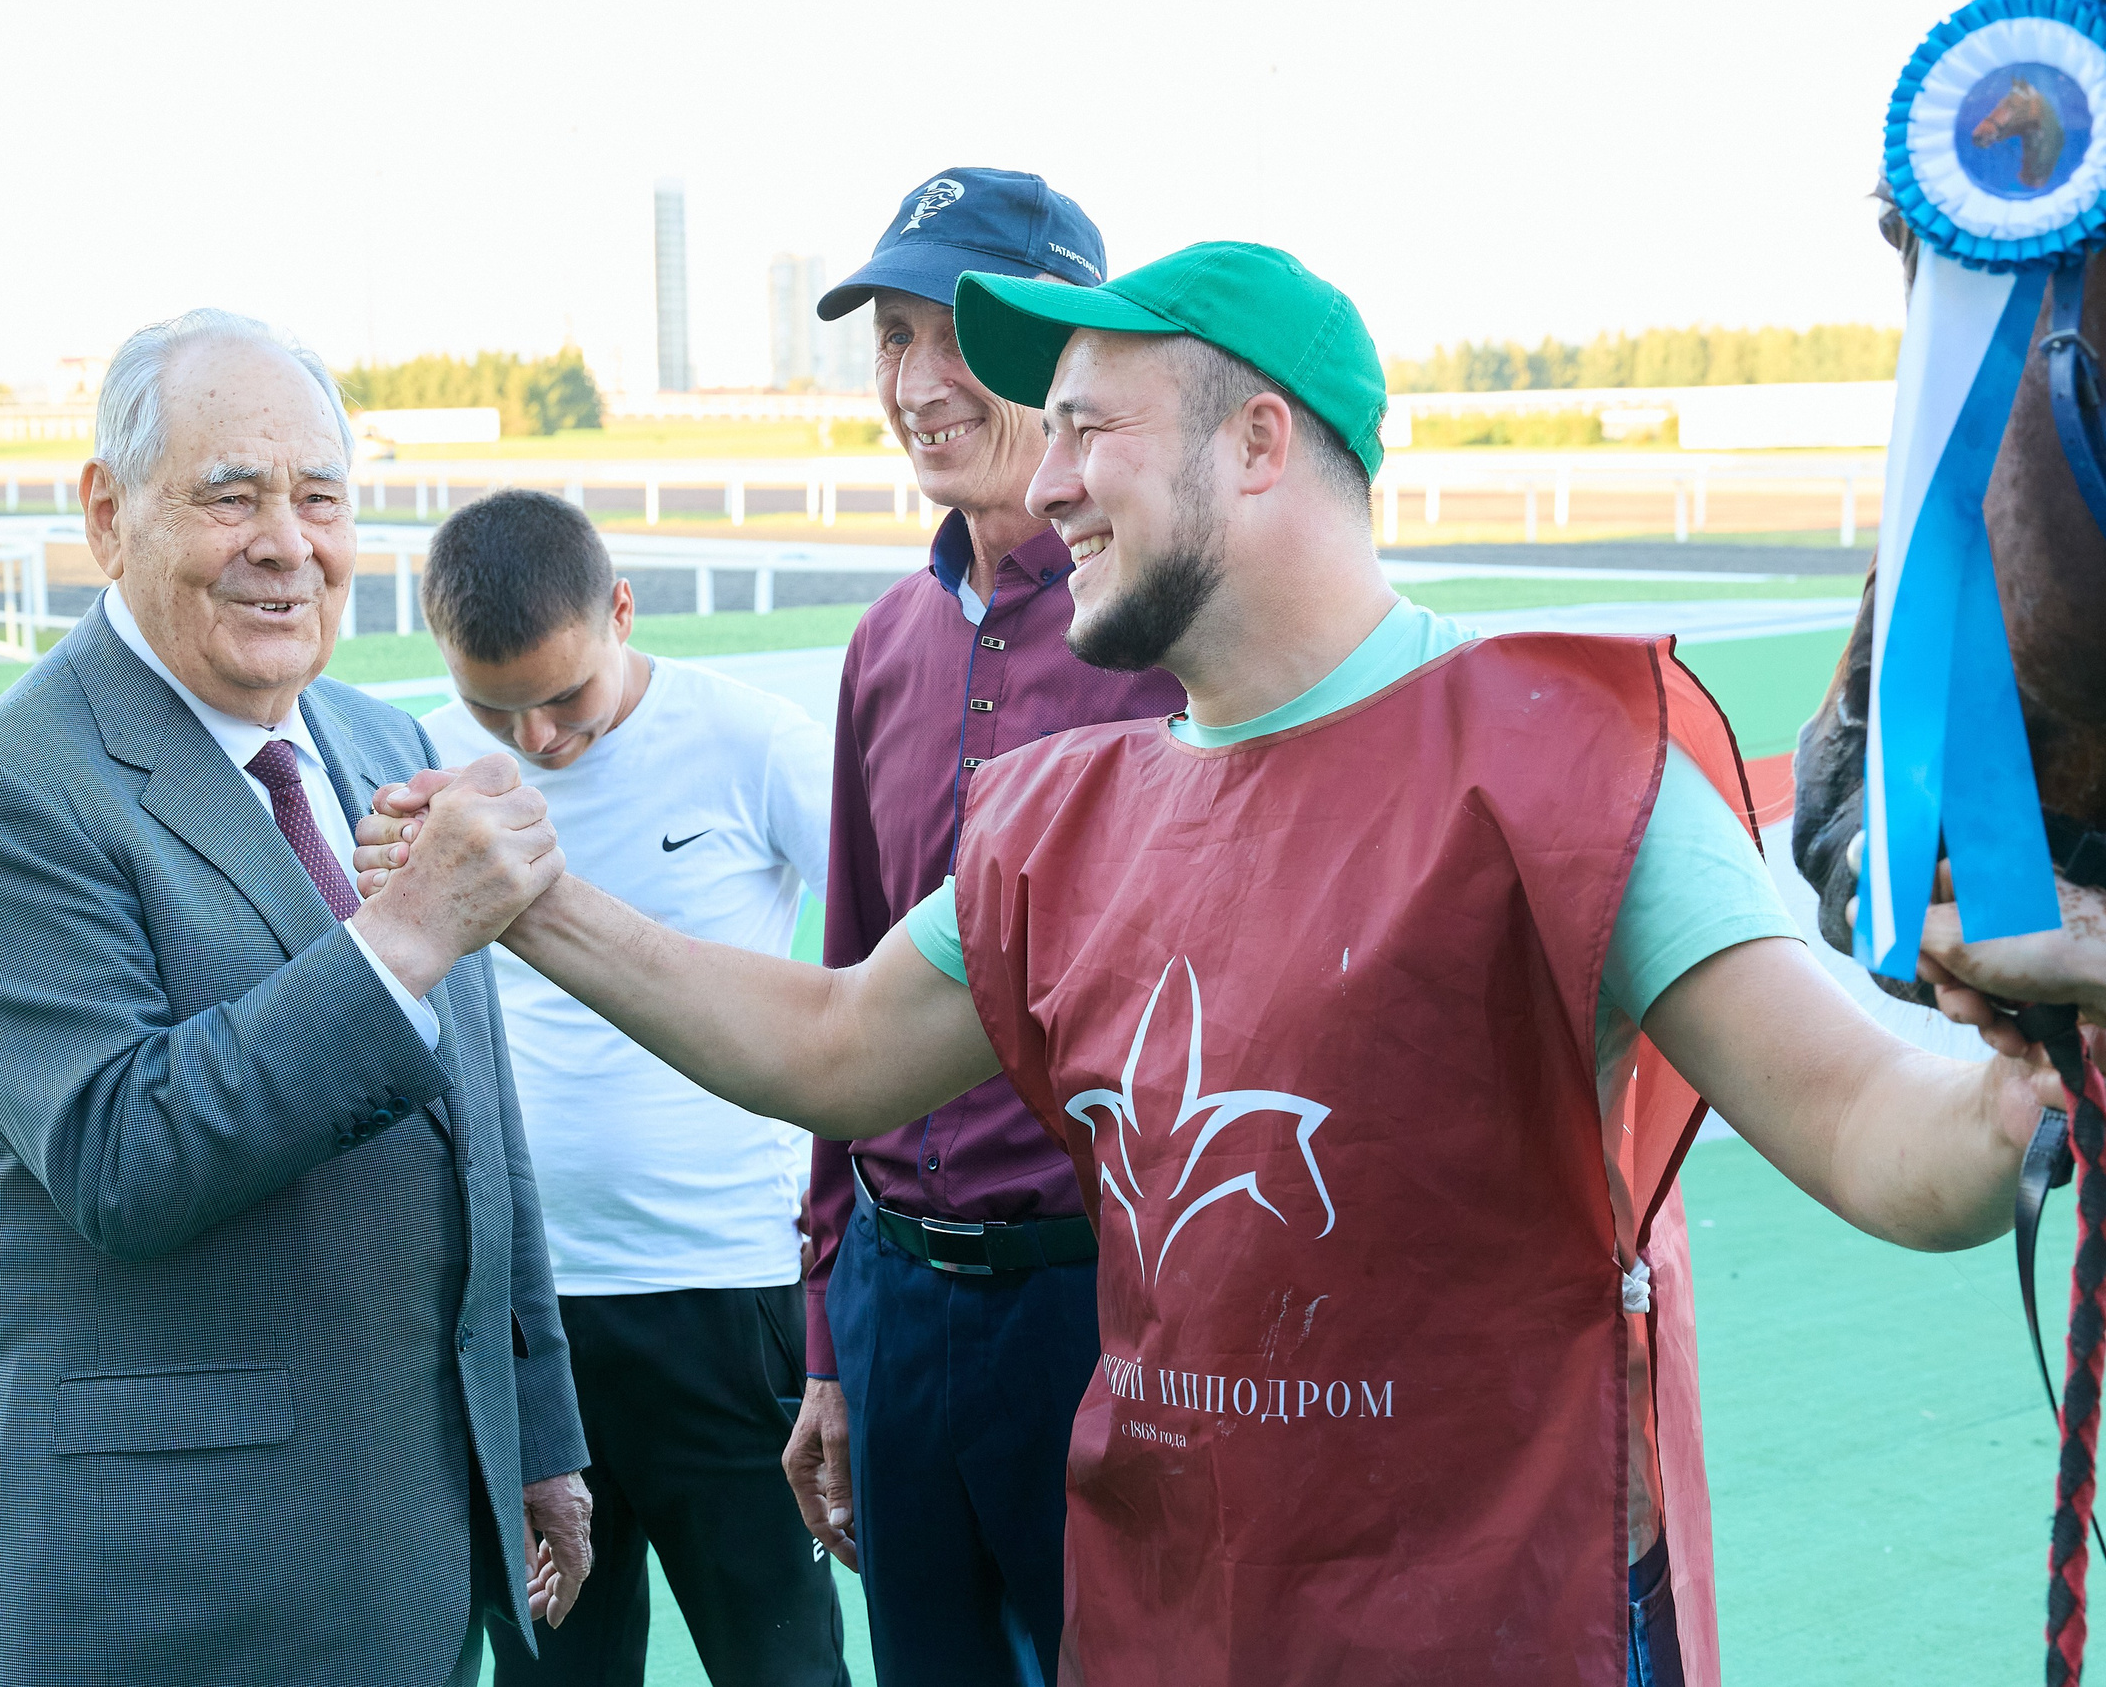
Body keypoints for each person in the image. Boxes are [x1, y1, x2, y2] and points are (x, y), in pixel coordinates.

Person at [358, 244, 2083, 1687]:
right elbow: (827, 1048)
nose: (1042, 481)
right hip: (1172, 1626)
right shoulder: (1054, 818)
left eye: (1092, 427)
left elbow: (1875, 1134)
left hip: (1498, 1630)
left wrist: (2049, 1068)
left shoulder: (1570, 759)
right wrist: (537, 901)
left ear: (1260, 440)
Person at [0, 309, 589, 1687]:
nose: (287, 541)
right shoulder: (0, 800)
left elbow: (482, 1137)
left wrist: (538, 1429)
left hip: (409, 1549)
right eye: (231, 494)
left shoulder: (382, 741)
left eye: (319, 497)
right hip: (163, 1593)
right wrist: (403, 937)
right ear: (106, 512)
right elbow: (125, 1155)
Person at [784, 166, 1176, 1685]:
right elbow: (844, 993)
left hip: (1104, 1299)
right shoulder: (886, 641)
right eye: (892, 335)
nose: (919, 380)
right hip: (893, 1305)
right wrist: (829, 1340)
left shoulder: (1168, 629)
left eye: (966, 332)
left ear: (1076, 357)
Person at [413, 488, 848, 1687]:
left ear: (619, 609)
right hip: (527, 1314)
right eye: (494, 706)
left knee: (784, 1670)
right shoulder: (417, 767)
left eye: (564, 696)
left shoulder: (751, 738)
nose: (537, 738)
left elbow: (894, 970)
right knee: (557, 1675)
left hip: (731, 1290)